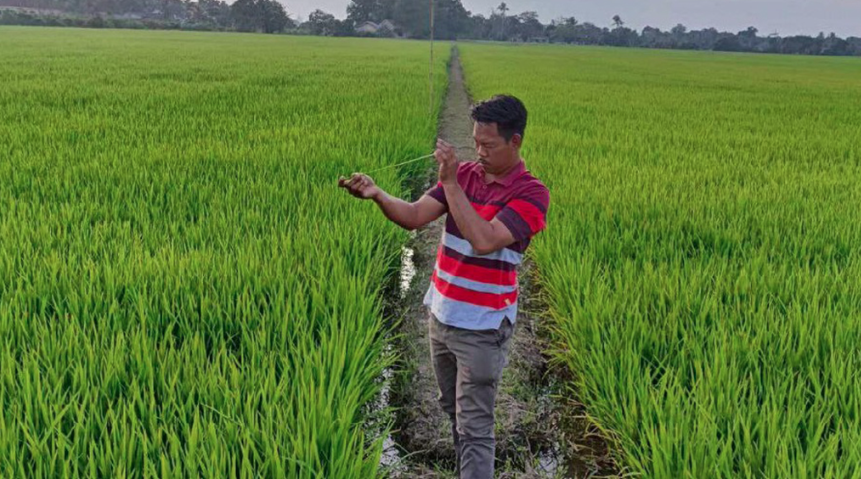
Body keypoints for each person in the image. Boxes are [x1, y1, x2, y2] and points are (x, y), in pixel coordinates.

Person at [338, 94, 549, 479]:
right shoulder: (466, 175)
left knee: (475, 427)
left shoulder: (531, 193)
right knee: (454, 411)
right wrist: (377, 194)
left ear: (515, 141)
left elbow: (483, 239)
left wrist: (450, 184)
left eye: (489, 145)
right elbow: (416, 216)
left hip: (483, 327)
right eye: (475, 142)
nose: (479, 152)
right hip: (443, 315)